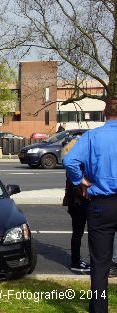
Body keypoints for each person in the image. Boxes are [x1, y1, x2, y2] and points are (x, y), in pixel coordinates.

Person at [63, 97, 117, 313]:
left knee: (100, 264)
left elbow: (69, 160)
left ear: (104, 114)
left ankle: (98, 309)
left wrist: (81, 182)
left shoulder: (93, 136)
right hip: (102, 201)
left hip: (101, 203)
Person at [62, 136, 90, 273]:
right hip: (80, 201)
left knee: (77, 233)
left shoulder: (71, 166)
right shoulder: (78, 166)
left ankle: (76, 260)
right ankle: (76, 262)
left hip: (74, 202)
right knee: (87, 232)